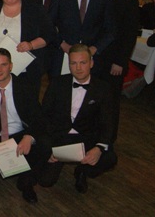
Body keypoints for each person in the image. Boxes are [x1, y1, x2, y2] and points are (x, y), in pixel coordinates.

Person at [0, 49, 51, 204]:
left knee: (45, 144)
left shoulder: (25, 86)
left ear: (11, 66)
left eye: (3, 65)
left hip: (19, 135)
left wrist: (29, 137)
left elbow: (38, 117)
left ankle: (26, 182)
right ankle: (19, 166)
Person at [39, 44, 117, 194]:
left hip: (86, 138)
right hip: (60, 137)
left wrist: (98, 148)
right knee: (45, 181)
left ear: (91, 63)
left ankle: (82, 171)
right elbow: (44, 115)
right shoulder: (57, 83)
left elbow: (108, 122)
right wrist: (49, 148)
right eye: (73, 63)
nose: (78, 68)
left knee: (109, 158)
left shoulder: (103, 88)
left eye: (83, 62)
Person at [49, 0, 115, 77]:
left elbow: (111, 29)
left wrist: (94, 49)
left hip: (93, 56)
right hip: (64, 54)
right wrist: (62, 45)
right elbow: (49, 23)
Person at [95, 0, 139, 141]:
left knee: (111, 102)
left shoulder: (128, 1)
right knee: (93, 100)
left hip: (114, 61)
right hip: (95, 59)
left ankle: (107, 141)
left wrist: (120, 61)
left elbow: (129, 35)